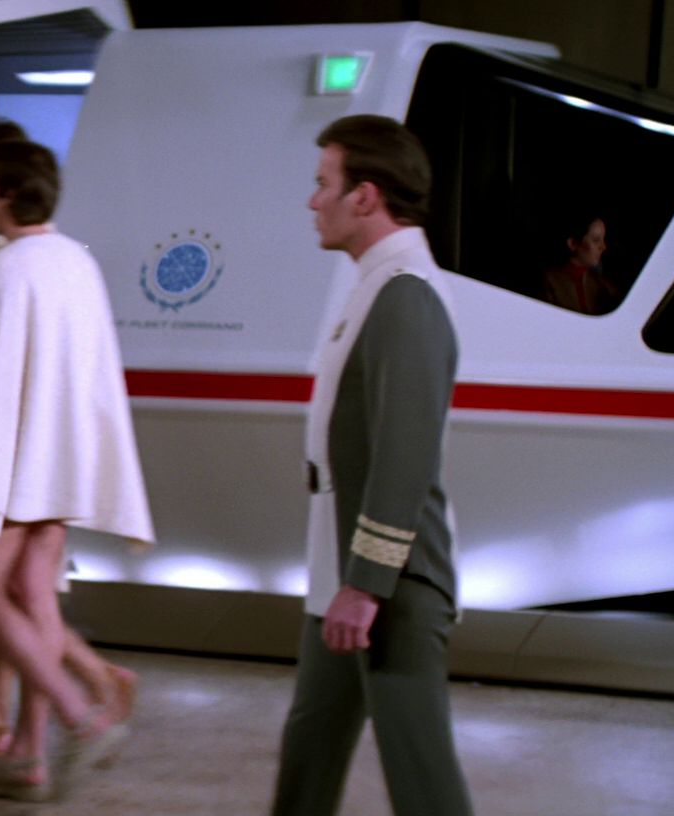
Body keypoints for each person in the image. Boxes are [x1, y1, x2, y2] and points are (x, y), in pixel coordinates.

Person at [0, 120, 138, 764]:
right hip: (60, 463)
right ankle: (32, 753)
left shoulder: (7, 267)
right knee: (35, 596)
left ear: (5, 191)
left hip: (13, 465)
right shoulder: (76, 259)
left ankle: (77, 717)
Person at [272, 114, 471, 816]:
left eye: (323, 183)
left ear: (365, 196)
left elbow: (404, 454)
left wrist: (365, 584)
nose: (312, 200)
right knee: (310, 751)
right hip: (348, 570)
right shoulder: (379, 283)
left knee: (422, 779)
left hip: (390, 584)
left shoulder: (406, 293)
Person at [539, 213, 620, 314]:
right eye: (596, 240)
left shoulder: (604, 287)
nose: (603, 247)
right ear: (572, 243)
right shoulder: (549, 282)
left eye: (603, 240)